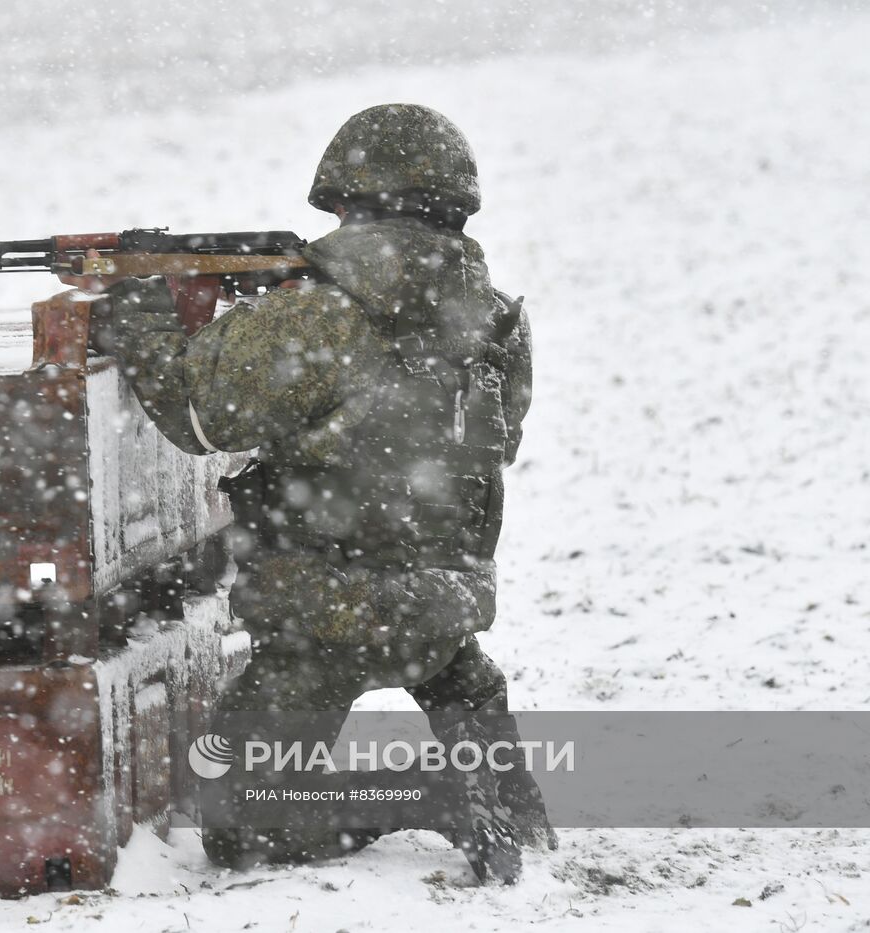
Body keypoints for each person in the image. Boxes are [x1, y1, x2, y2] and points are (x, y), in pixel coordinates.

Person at [88, 104, 554, 883]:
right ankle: (502, 774)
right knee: (440, 649)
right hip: (445, 605)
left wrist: (141, 313)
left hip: (325, 616)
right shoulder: (499, 319)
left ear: (346, 198)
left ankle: (433, 796)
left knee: (241, 824)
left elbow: (198, 416)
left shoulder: (319, 313)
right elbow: (485, 445)